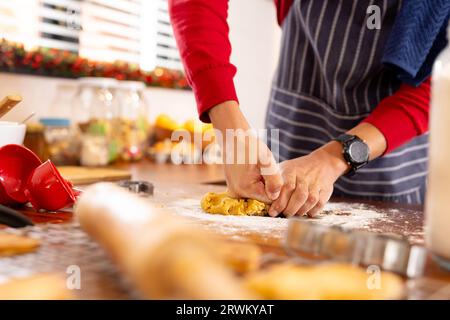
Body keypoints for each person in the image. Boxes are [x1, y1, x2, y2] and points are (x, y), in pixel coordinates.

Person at [169, 0, 449, 217]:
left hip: (390, 158)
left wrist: (334, 158)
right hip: (293, 127)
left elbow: (439, 80)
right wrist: (230, 130)